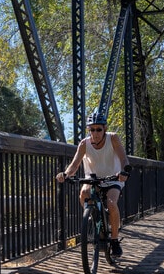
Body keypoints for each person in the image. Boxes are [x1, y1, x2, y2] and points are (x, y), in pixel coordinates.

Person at [56, 110, 131, 257]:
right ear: (88, 130)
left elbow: (124, 159)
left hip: (112, 179)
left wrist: (124, 171)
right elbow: (75, 164)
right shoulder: (84, 144)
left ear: (105, 129)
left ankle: (114, 240)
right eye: (92, 129)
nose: (95, 133)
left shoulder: (113, 139)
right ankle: (92, 216)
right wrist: (65, 174)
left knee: (111, 203)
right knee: (84, 193)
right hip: (93, 178)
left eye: (98, 129)